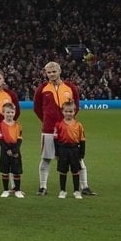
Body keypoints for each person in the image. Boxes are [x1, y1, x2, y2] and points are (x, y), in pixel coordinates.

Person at [34, 62, 92, 196]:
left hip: (68, 130)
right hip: (49, 130)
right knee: (46, 158)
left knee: (78, 159)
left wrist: (68, 123)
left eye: (54, 71)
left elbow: (76, 106)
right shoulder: (41, 88)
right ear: (46, 73)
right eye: (49, 72)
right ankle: (43, 187)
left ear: (60, 71)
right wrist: (47, 120)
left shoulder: (70, 87)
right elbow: (37, 108)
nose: (52, 74)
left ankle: (85, 186)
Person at [53, 101, 86, 199]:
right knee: (63, 171)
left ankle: (76, 191)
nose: (68, 113)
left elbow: (82, 140)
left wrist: (82, 153)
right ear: (62, 112)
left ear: (74, 111)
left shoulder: (78, 125)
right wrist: (57, 153)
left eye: (71, 111)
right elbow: (55, 140)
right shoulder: (58, 125)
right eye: (66, 111)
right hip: (63, 150)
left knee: (75, 171)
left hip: (74, 150)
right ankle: (62, 191)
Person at [0, 103, 25, 198]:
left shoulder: (18, 125)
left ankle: (17, 190)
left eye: (12, 112)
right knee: (5, 170)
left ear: (14, 113)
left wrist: (15, 149)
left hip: (15, 150)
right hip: (5, 149)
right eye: (8, 112)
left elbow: (19, 139)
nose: (10, 114)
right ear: (3, 112)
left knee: (16, 171)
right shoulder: (0, 125)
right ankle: (5, 190)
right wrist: (7, 149)